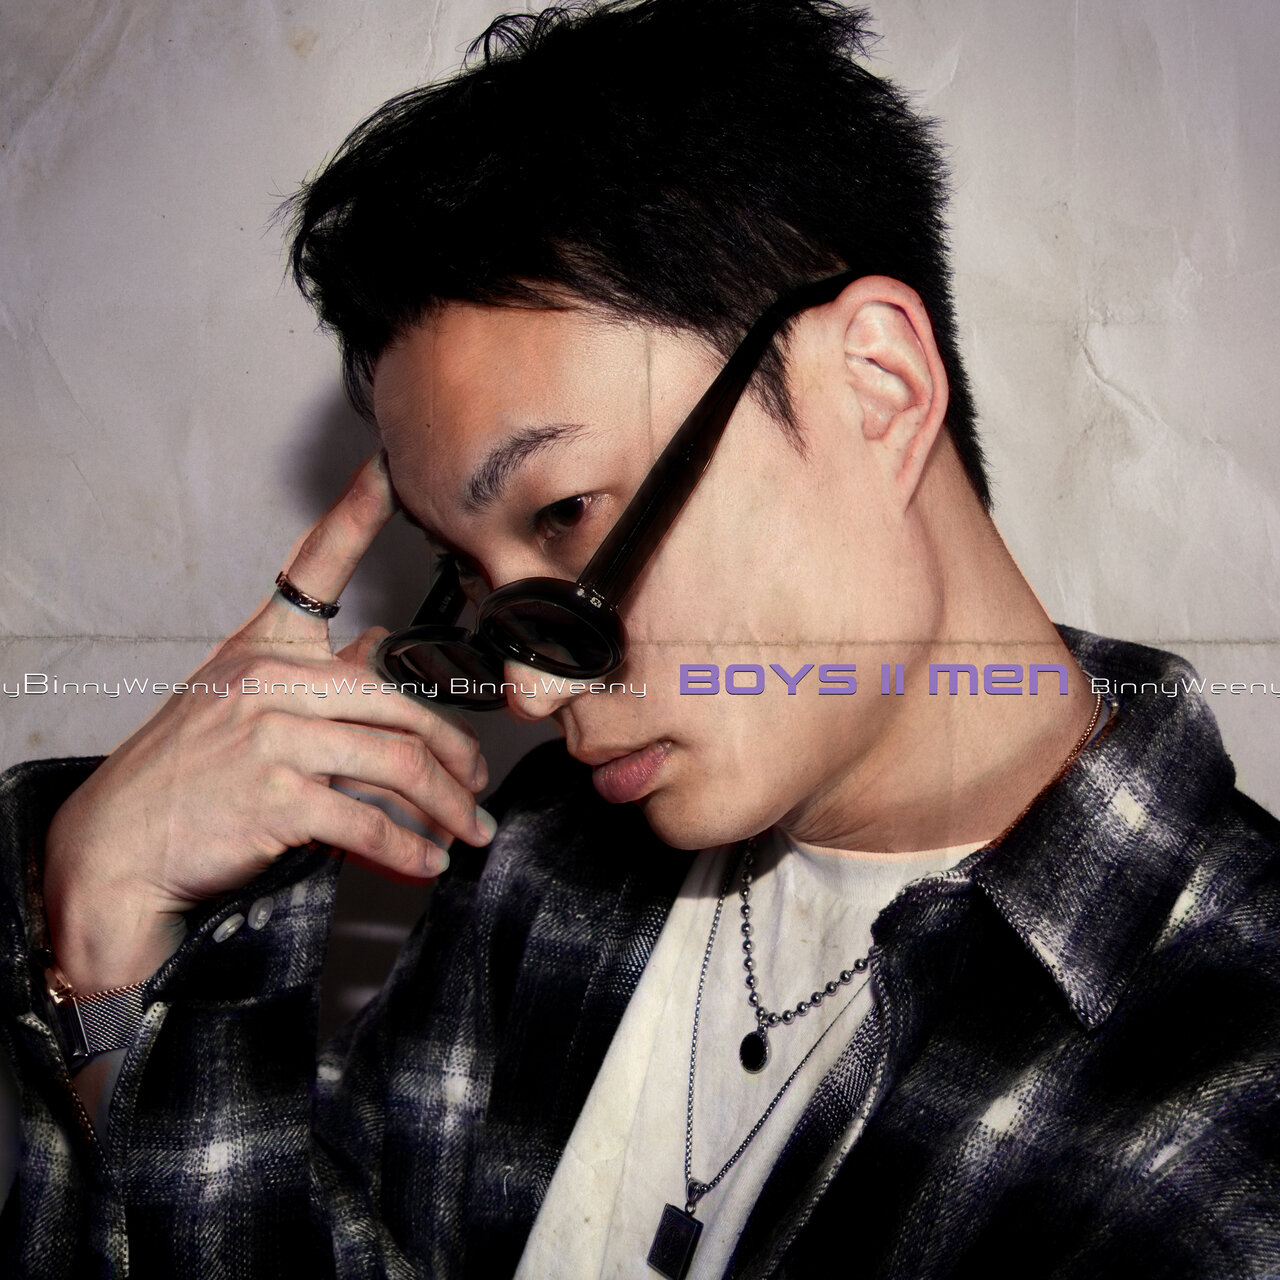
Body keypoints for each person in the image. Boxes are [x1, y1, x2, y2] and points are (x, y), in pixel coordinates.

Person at [2, 1, 1277, 1276]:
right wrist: (110, 925)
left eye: (565, 510)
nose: (527, 681)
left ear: (875, 388)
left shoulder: (1229, 1107)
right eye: (472, 581)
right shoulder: (545, 858)